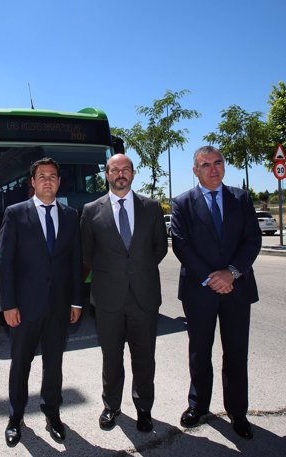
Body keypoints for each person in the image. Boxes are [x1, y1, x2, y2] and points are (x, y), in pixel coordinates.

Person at [170, 146, 262, 439]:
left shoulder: (241, 198)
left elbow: (253, 240)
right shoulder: (182, 203)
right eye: (205, 164)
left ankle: (238, 412)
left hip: (237, 289)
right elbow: (181, 245)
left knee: (236, 353)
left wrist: (231, 273)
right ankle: (198, 406)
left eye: (218, 163)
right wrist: (212, 278)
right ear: (195, 170)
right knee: (200, 352)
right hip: (200, 292)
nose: (213, 169)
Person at [0, 157, 83, 447]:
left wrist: (76, 302)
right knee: (20, 364)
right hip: (23, 308)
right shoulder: (15, 213)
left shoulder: (71, 215)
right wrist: (8, 304)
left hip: (59, 307)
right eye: (41, 176)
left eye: (53, 175)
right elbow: (4, 263)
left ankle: (52, 413)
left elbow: (74, 263)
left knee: (54, 364)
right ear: (32, 182)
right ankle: (15, 416)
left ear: (59, 181)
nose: (48, 180)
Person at [80, 153, 168, 433]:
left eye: (125, 169)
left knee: (144, 357)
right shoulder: (91, 210)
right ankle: (112, 407)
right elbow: (86, 255)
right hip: (108, 300)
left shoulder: (152, 207)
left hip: (144, 297)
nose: (120, 173)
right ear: (106, 174)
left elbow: (160, 248)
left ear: (133, 173)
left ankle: (144, 409)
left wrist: (137, 270)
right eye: (114, 169)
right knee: (111, 358)